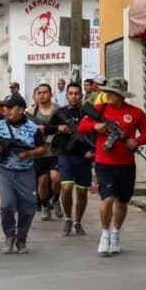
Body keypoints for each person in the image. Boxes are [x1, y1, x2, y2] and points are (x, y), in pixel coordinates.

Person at [78, 78, 146, 256]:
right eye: (107, 91)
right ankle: (104, 234)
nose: (107, 94)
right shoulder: (100, 109)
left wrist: (137, 141)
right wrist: (96, 126)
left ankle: (115, 233)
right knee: (107, 199)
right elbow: (82, 126)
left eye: (111, 92)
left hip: (126, 164)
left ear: (120, 95)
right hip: (104, 163)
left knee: (122, 201)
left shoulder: (135, 113)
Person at [0, 94, 46, 254]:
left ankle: (22, 237)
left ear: (20, 109)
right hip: (5, 171)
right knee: (7, 205)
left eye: (10, 108)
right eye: (5, 108)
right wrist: (1, 148)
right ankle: (9, 235)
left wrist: (28, 154)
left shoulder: (33, 128)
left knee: (28, 208)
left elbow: (43, 149)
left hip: (26, 172)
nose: (6, 111)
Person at [44, 83, 94, 236]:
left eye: (76, 93)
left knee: (82, 192)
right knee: (66, 188)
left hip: (84, 157)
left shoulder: (88, 112)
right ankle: (67, 218)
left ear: (81, 94)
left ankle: (77, 222)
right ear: (66, 95)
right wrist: (58, 128)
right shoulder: (60, 113)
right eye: (71, 93)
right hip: (65, 155)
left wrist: (93, 151)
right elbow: (47, 128)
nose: (73, 96)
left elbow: (96, 132)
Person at [27, 83, 62, 221]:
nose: (42, 95)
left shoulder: (58, 110)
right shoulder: (31, 112)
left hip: (55, 150)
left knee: (56, 178)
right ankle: (45, 206)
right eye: (40, 92)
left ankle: (56, 199)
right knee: (42, 181)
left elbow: (64, 128)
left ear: (51, 94)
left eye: (45, 92)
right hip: (39, 151)